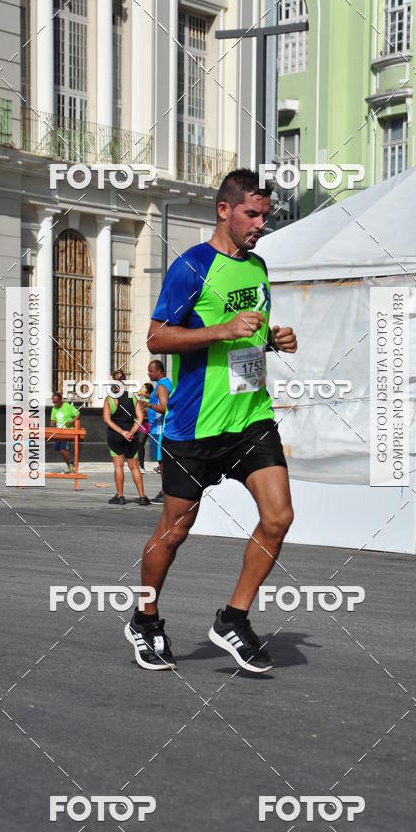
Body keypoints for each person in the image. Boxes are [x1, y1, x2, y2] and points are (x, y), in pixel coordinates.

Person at [124, 169, 298, 673]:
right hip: (194, 425)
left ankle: (234, 619)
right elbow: (157, 338)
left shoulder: (258, 268)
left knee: (279, 517)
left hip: (251, 417)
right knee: (174, 531)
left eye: (265, 215)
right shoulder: (192, 267)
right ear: (224, 210)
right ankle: (145, 619)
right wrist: (222, 329)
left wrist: (273, 341)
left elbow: (249, 337)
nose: (261, 224)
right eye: (252, 214)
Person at [103, 369, 150, 506]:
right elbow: (140, 417)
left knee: (118, 466)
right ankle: (142, 496)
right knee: (134, 466)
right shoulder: (133, 397)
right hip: (131, 436)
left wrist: (122, 432)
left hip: (115, 435)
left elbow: (107, 419)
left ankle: (120, 496)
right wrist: (131, 432)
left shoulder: (110, 399)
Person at [146, 360, 172, 503]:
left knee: (162, 463)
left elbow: (164, 407)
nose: (149, 374)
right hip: (158, 428)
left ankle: (166, 492)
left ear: (159, 371)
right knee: (162, 462)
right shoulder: (164, 384)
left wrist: (148, 404)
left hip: (161, 429)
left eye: (151, 371)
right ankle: (165, 490)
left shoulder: (162, 386)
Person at [50, 391, 80, 473]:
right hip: (59, 432)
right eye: (53, 402)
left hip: (68, 432)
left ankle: (70, 466)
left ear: (61, 400)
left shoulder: (68, 407)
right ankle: (70, 464)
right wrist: (52, 422)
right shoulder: (54, 408)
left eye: (56, 402)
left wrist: (72, 422)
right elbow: (53, 419)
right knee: (57, 448)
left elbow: (78, 414)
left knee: (63, 448)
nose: (55, 404)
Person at [137, 382, 154, 472]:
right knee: (140, 443)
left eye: (145, 392)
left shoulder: (154, 399)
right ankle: (141, 466)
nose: (143, 393)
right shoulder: (141, 399)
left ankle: (161, 465)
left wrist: (146, 410)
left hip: (152, 423)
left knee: (159, 444)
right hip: (143, 423)